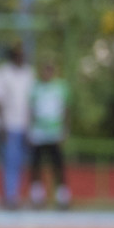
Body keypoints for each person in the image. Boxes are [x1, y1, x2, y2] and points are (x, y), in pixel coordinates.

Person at [28, 59, 71, 210]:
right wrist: (30, 130)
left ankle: (62, 197)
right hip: (39, 132)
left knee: (58, 165)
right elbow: (31, 110)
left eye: (50, 70)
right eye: (45, 70)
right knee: (36, 165)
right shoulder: (35, 88)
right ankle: (37, 197)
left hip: (55, 132)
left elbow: (65, 110)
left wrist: (65, 130)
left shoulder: (60, 88)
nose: (47, 73)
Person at [0, 41, 34, 209]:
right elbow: (0, 101)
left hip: (25, 126)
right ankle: (9, 197)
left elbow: (31, 103)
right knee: (9, 163)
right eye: (18, 55)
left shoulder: (29, 74)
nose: (21, 58)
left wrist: (30, 126)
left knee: (22, 163)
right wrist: (2, 124)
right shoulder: (4, 73)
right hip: (9, 124)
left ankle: (18, 195)